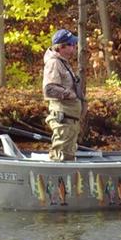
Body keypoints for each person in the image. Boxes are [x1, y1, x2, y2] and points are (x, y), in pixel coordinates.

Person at [43, 29, 86, 161]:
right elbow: (49, 89)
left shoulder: (63, 62)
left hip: (70, 119)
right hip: (63, 119)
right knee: (60, 157)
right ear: (61, 47)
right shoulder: (54, 63)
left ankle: (70, 181)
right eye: (71, 44)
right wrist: (70, 94)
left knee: (68, 156)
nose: (74, 47)